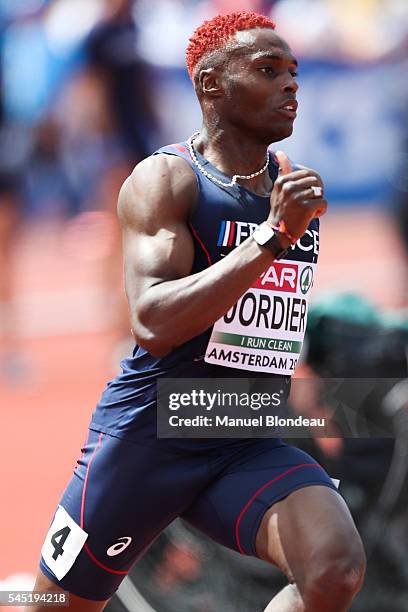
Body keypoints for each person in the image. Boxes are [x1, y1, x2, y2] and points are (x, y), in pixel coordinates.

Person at [30, 11, 366, 612]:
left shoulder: (290, 187)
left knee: (334, 567)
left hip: (244, 431)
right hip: (150, 435)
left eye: (294, 73)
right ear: (211, 85)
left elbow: (270, 314)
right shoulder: (167, 179)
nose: (291, 85)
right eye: (268, 70)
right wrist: (270, 239)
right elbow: (153, 323)